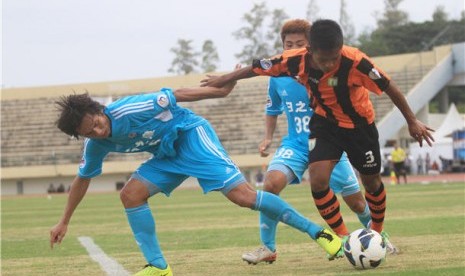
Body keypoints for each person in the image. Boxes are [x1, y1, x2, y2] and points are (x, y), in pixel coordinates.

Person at [49, 83, 344, 276]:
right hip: (167, 155)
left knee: (243, 197)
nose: (98, 132)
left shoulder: (131, 108)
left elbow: (177, 95)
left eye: (97, 124)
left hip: (191, 136)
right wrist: (64, 220)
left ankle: (320, 234)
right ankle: (158, 267)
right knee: (130, 195)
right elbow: (82, 179)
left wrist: (220, 92)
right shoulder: (96, 145)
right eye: (89, 133)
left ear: (99, 110)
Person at [201, 19, 434, 255]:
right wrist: (223, 79)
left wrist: (412, 121)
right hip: (325, 125)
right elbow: (257, 67)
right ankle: (344, 241)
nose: (330, 64)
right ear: (310, 50)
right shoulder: (296, 60)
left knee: (371, 183)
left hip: (360, 127)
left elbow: (389, 86)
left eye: (335, 57)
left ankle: (378, 232)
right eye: (324, 59)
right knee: (318, 180)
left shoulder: (357, 62)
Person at [241, 19, 374, 265]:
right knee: (270, 185)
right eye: (288, 44)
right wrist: (267, 138)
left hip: (327, 143)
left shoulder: (321, 69)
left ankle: (377, 238)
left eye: (299, 44)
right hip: (296, 144)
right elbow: (273, 109)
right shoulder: (277, 76)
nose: (292, 48)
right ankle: (268, 247)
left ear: (310, 46)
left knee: (356, 202)